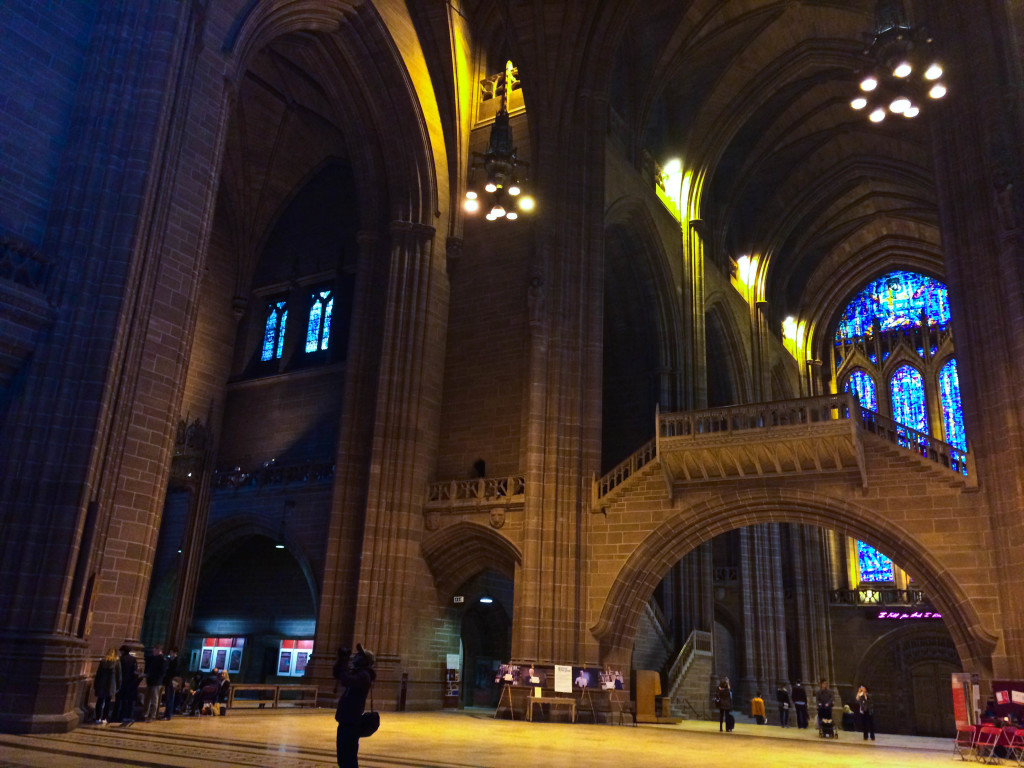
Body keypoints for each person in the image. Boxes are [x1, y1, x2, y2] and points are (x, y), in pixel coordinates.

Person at [334, 644, 376, 768]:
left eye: (359, 655)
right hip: (346, 719)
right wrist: (341, 660)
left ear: (364, 660)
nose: (355, 656)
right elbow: (338, 674)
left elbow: (346, 680)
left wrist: (344, 664)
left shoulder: (364, 675)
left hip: (351, 721)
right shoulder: (358, 672)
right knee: (343, 757)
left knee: (348, 758)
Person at [93, 648, 121, 725]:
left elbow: (98, 674)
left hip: (102, 684)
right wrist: (118, 686)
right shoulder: (117, 663)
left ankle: (97, 718)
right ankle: (104, 718)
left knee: (99, 701)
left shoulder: (103, 661)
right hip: (111, 685)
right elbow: (119, 676)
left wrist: (96, 684)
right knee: (108, 702)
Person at [115, 645, 139, 726]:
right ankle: (126, 715)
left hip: (122, 682)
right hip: (130, 682)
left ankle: (117, 716)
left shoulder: (121, 659)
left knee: (119, 700)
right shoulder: (133, 659)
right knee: (127, 700)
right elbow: (135, 671)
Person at [143, 645, 166, 721]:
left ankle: (152, 715)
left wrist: (156, 678)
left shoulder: (162, 659)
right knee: (147, 699)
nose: (153, 652)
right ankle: (145, 713)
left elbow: (162, 672)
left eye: (154, 650)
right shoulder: (153, 658)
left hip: (156, 682)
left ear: (159, 650)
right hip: (150, 681)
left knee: (154, 699)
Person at [161, 647, 179, 719]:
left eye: (171, 652)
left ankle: (168, 714)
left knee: (170, 697)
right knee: (169, 697)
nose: (170, 654)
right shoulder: (172, 660)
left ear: (174, 653)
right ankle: (167, 714)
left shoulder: (176, 661)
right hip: (170, 680)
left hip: (171, 681)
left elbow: (173, 671)